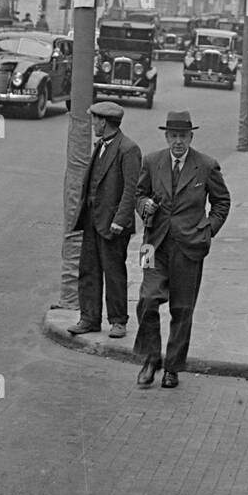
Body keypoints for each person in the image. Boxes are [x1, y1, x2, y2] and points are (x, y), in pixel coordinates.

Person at [132, 109, 231, 388]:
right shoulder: (152, 162)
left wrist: (208, 228)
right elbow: (139, 194)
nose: (178, 142)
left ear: (190, 137)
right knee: (148, 300)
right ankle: (151, 358)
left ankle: (172, 367)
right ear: (166, 137)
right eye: (173, 136)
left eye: (183, 136)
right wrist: (145, 206)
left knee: (182, 308)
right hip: (154, 246)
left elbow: (222, 202)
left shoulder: (206, 166)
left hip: (189, 247)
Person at [67, 102, 142, 339]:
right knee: (88, 270)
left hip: (113, 225)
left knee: (114, 272)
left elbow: (132, 189)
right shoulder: (101, 145)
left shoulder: (128, 149)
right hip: (93, 220)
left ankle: (118, 321)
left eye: (95, 121)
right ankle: (89, 318)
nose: (93, 125)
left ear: (104, 122)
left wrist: (120, 220)